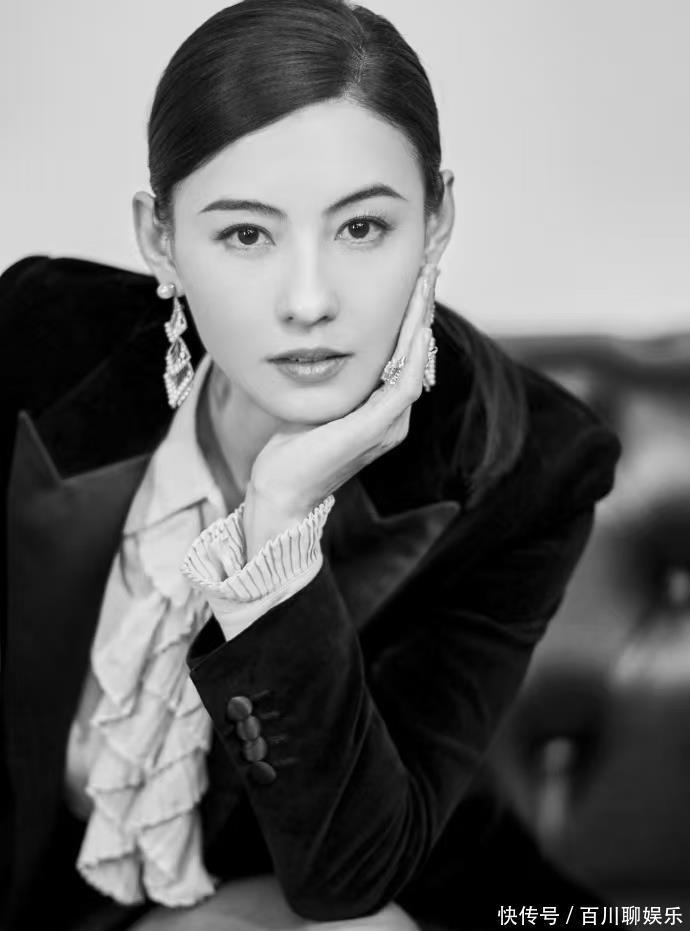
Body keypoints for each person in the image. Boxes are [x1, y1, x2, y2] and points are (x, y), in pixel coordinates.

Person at [0, 1, 623, 928]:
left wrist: (279, 527)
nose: (308, 300)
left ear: (437, 220)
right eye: (246, 234)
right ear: (161, 240)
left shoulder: (525, 457)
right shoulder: (37, 337)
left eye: (362, 227)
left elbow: (346, 877)